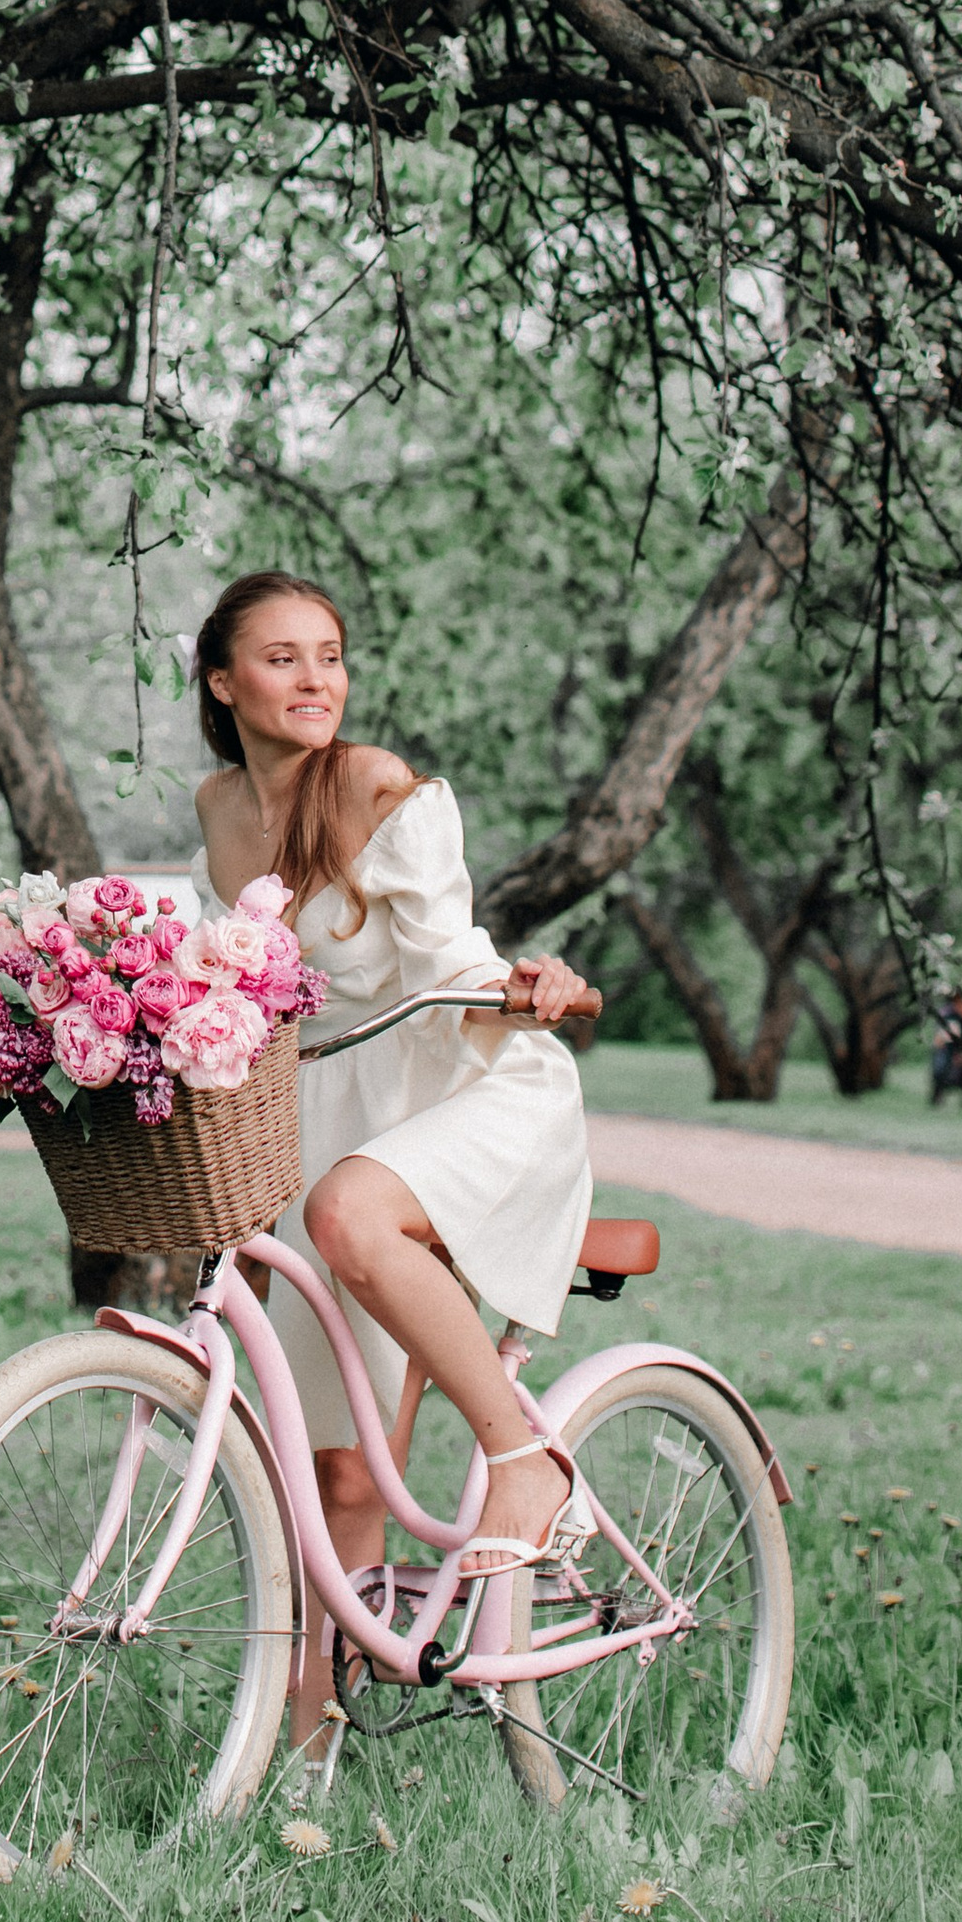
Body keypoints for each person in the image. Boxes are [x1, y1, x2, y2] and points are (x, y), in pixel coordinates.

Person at [193, 568, 596, 1785]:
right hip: (324, 1110)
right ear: (222, 683)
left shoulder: (371, 783)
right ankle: (310, 1756)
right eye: (281, 658)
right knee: (338, 1468)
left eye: (328, 655)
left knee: (349, 1213)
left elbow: (450, 960)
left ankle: (523, 1463)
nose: (313, 679)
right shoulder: (219, 807)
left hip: (460, 1088)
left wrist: (524, 984)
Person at [928, 991, 962, 1108]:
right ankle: (938, 1095)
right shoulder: (949, 1015)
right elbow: (945, 1040)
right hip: (948, 1056)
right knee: (943, 1070)